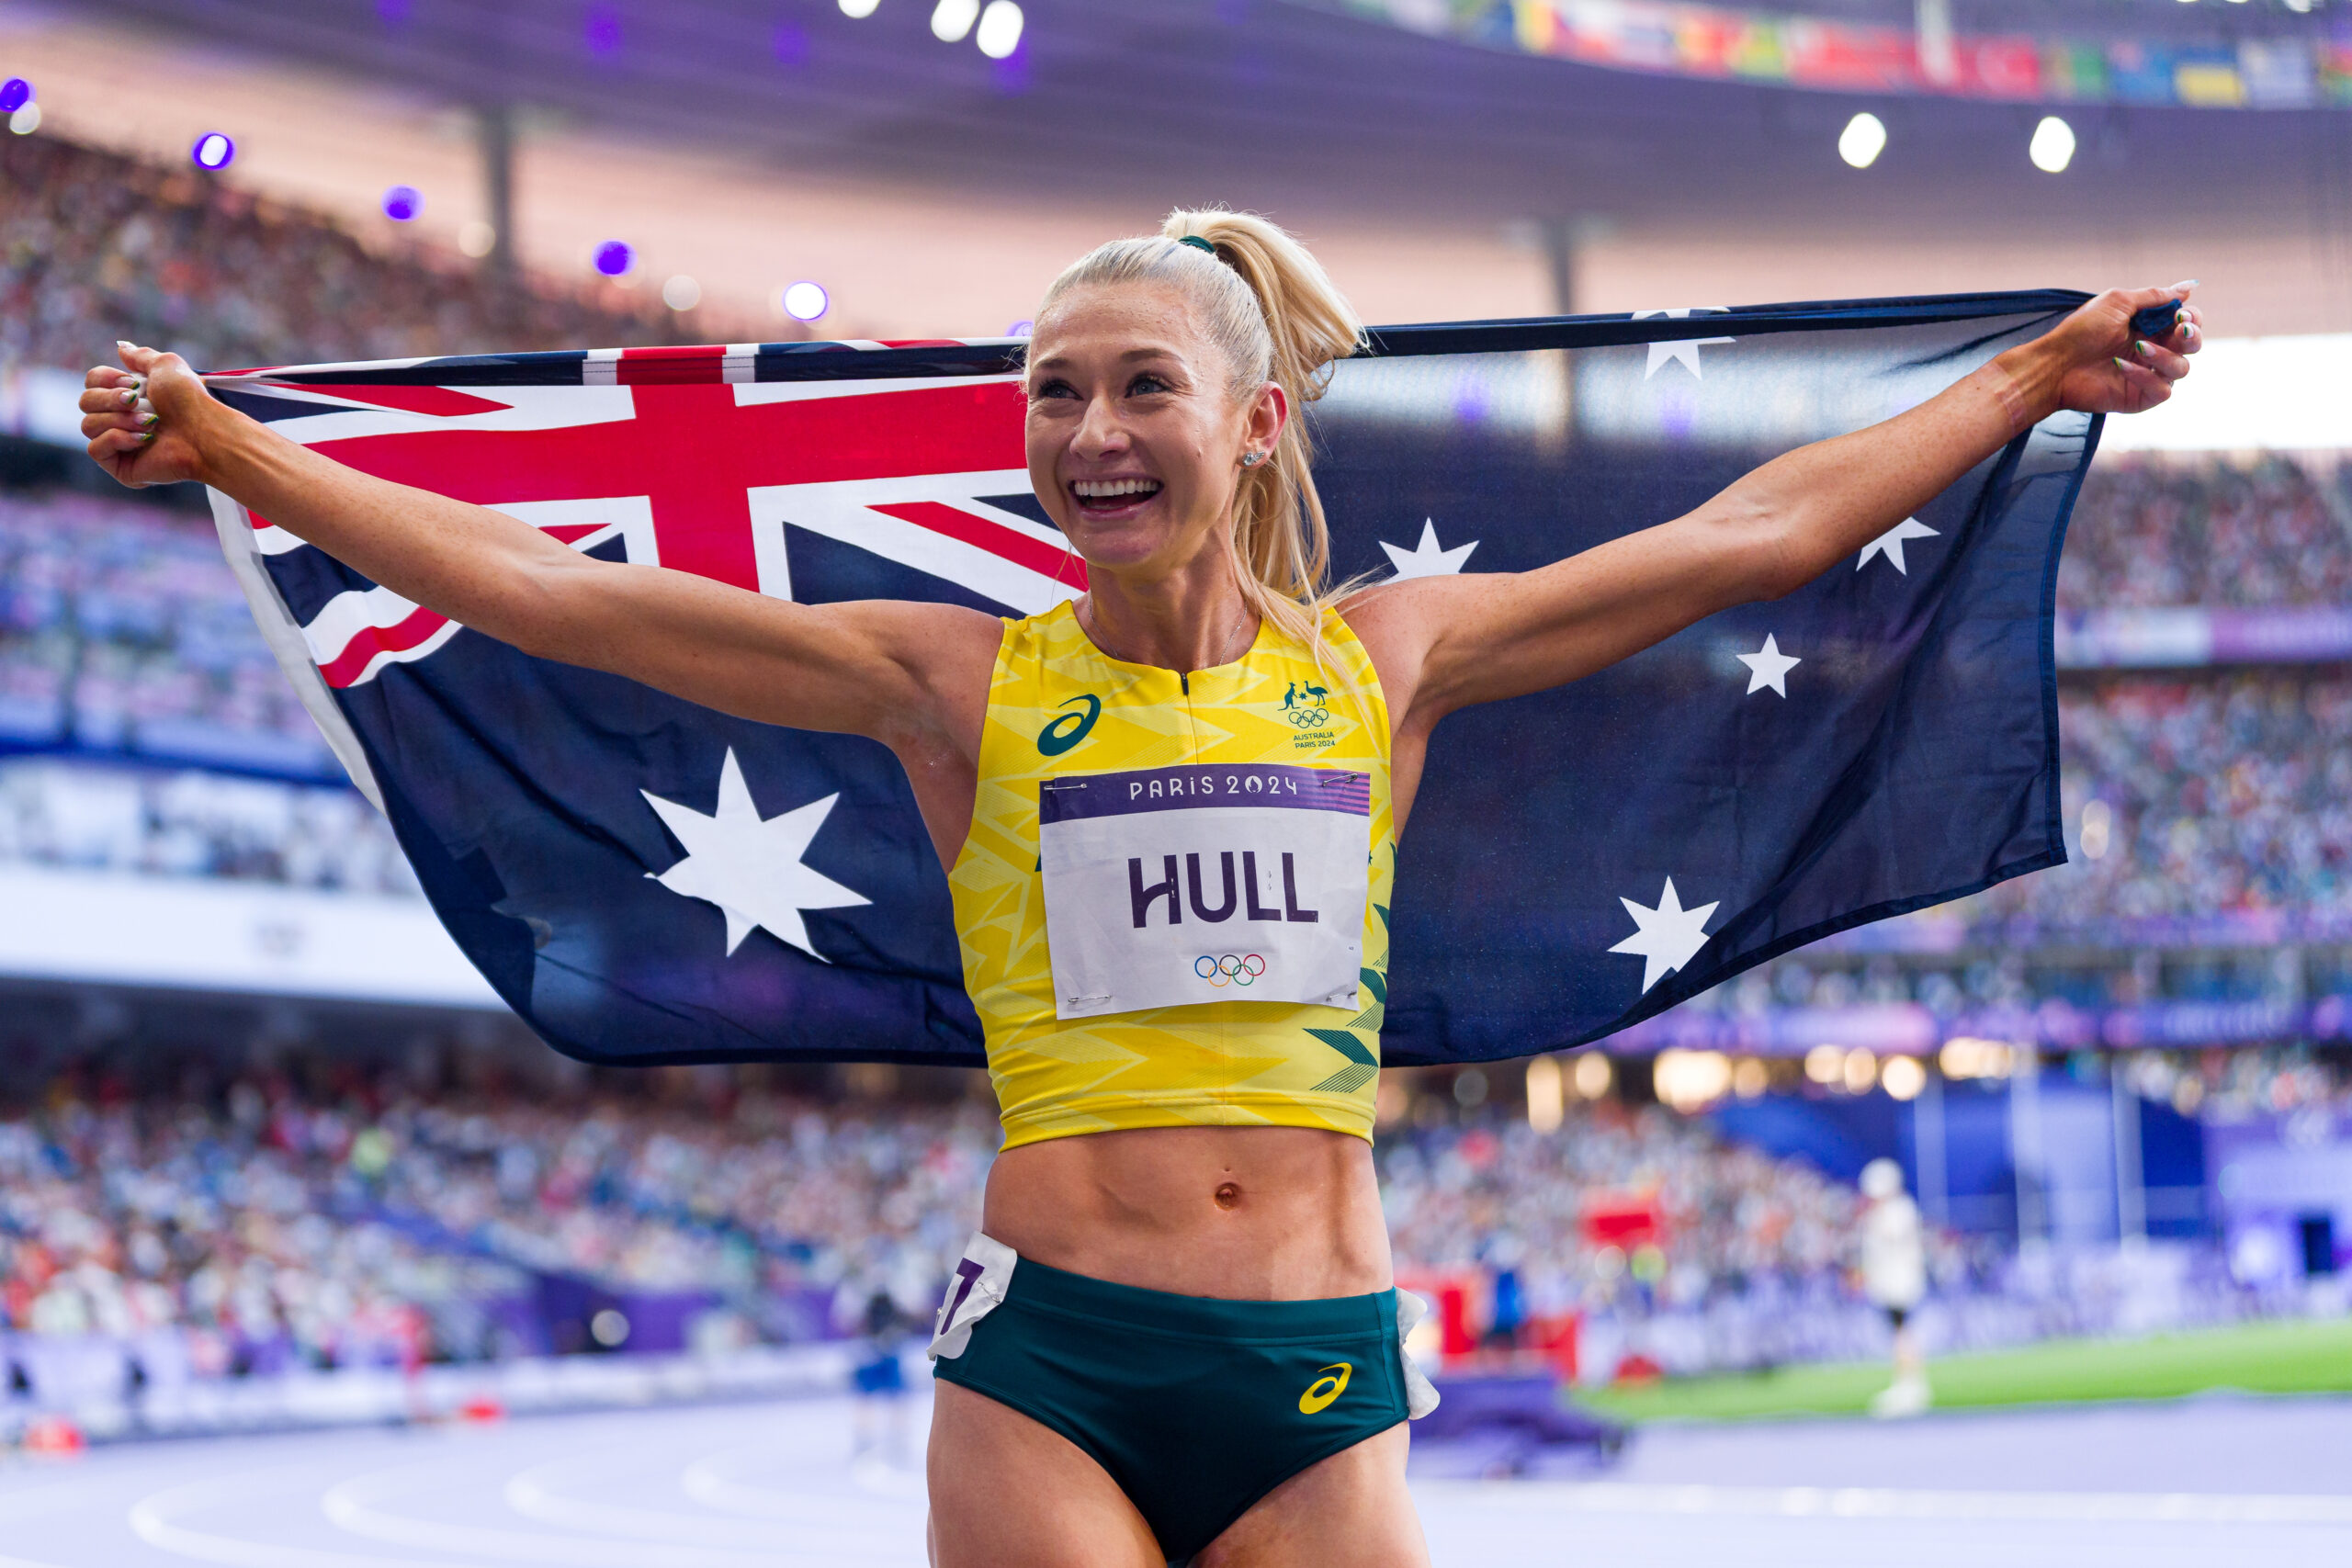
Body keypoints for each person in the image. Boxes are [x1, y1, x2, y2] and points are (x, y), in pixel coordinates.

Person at [81, 211, 2197, 1567]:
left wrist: (2025, 376)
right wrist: (235, 451)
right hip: (1054, 1370)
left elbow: (1751, 533)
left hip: (1313, 1364)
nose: (1085, 423)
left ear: (1253, 417)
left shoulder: (1383, 657)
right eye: (1051, 389)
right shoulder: (956, 675)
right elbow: (560, 592)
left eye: (1136, 384)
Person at [1859, 1156, 1930, 1418]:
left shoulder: (1898, 1210)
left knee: (1903, 1334)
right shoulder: (1889, 1212)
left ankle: (1911, 1387)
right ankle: (1907, 1384)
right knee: (1899, 1335)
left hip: (1900, 1282)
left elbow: (1891, 1239)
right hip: (1890, 1283)